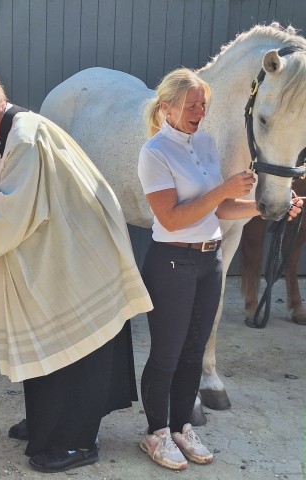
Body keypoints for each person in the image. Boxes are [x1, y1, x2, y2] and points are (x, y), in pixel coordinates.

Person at [0, 67, 153, 474]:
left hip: (74, 258)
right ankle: (49, 422)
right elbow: (6, 203)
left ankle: (77, 441)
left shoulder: (24, 139)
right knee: (53, 343)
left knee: (74, 345)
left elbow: (7, 213)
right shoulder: (12, 134)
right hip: (59, 250)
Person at [136, 68, 303, 471]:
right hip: (172, 261)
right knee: (167, 354)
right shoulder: (154, 153)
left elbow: (221, 208)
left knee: (194, 351)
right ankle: (156, 433)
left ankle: (180, 428)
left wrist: (266, 208)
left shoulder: (206, 143)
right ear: (167, 107)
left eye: (202, 104)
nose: (199, 110)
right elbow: (172, 219)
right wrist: (225, 189)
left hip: (209, 261)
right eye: (191, 104)